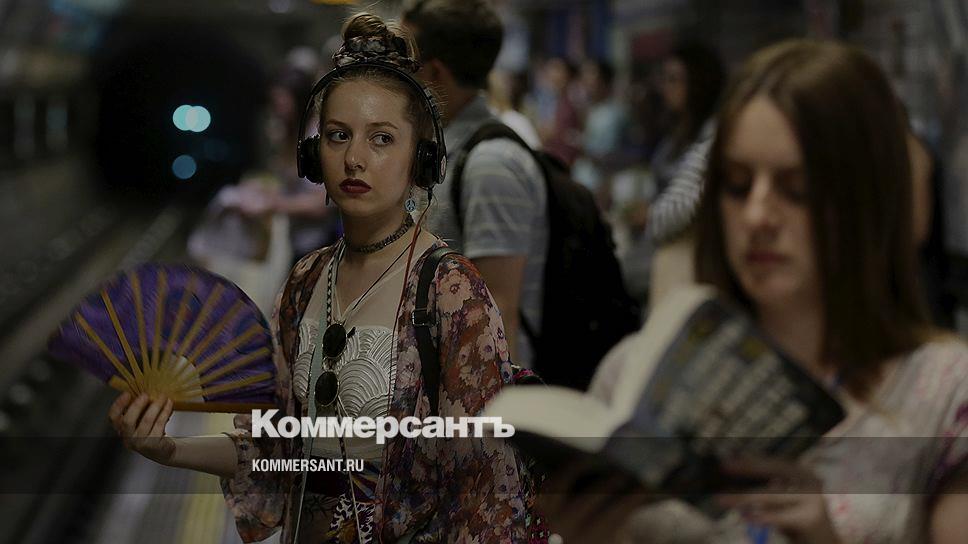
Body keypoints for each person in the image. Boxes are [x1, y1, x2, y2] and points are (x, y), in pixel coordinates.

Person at [108, 13, 534, 543]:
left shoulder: (452, 293)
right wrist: (168, 448)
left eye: (382, 139)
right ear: (313, 155)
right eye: (337, 136)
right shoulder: (307, 281)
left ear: (421, 158)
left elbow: (486, 491)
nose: (354, 158)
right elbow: (274, 453)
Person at [543, 40, 968, 543]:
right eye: (738, 186)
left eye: (797, 189)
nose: (757, 216)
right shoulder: (634, 376)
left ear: (865, 201)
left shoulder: (941, 389)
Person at [402, 0, 548, 369]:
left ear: (435, 71)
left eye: (408, 64)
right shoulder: (451, 150)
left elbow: (499, 313)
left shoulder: (489, 165)